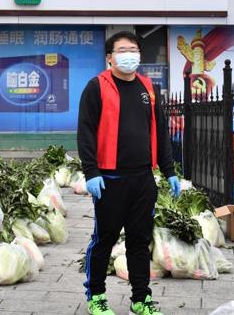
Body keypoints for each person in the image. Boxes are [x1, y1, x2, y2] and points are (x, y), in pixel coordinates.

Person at [77, 31, 181, 315]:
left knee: (139, 241)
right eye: (122, 50)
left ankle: (140, 298)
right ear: (109, 57)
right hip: (109, 179)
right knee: (104, 240)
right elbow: (85, 132)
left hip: (143, 179)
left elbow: (160, 132)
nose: (129, 54)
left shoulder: (148, 88)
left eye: (134, 49)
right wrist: (91, 172)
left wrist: (169, 171)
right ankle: (96, 296)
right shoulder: (96, 87)